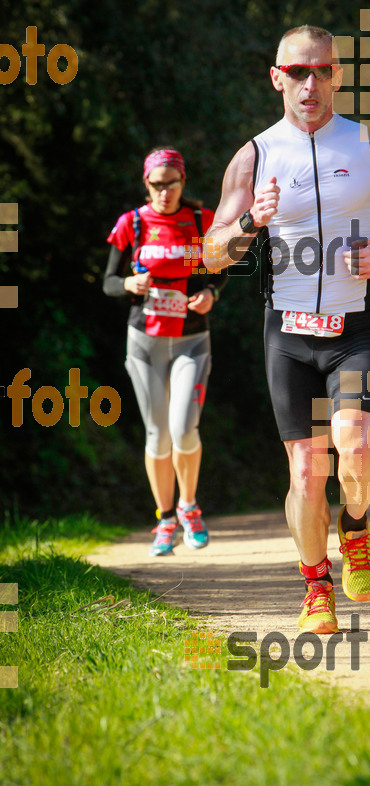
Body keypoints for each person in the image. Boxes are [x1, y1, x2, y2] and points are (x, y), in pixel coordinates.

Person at [203, 25, 370, 634]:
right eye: (297, 72)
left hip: (354, 327)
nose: (310, 83)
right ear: (276, 77)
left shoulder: (369, 145)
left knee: (358, 452)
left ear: (337, 75)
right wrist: (251, 220)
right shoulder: (253, 156)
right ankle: (315, 587)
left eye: (321, 71)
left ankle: (354, 526)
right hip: (288, 332)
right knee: (306, 470)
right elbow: (211, 254)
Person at [104, 147, 227, 555]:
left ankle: (189, 507)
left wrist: (210, 292)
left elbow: (220, 271)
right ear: (147, 185)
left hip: (192, 340)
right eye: (156, 185)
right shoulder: (132, 224)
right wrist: (126, 285)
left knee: (183, 429)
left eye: (171, 184)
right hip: (144, 342)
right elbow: (107, 280)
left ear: (182, 183)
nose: (164, 193)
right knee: (157, 436)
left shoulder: (201, 221)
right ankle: (164, 519)